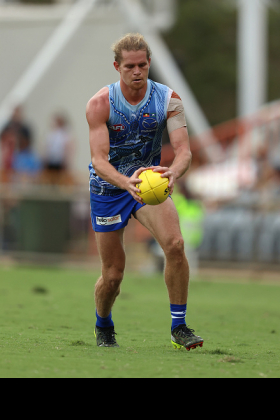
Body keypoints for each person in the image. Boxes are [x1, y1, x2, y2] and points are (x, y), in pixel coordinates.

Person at [86, 33, 204, 350]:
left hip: (149, 185)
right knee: (113, 275)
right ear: (117, 67)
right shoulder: (100, 104)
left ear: (149, 63)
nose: (137, 71)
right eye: (130, 66)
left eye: (142, 65)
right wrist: (125, 182)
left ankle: (179, 327)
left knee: (176, 244)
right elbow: (98, 160)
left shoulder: (169, 100)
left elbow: (184, 152)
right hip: (109, 188)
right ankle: (104, 325)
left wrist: (173, 172)